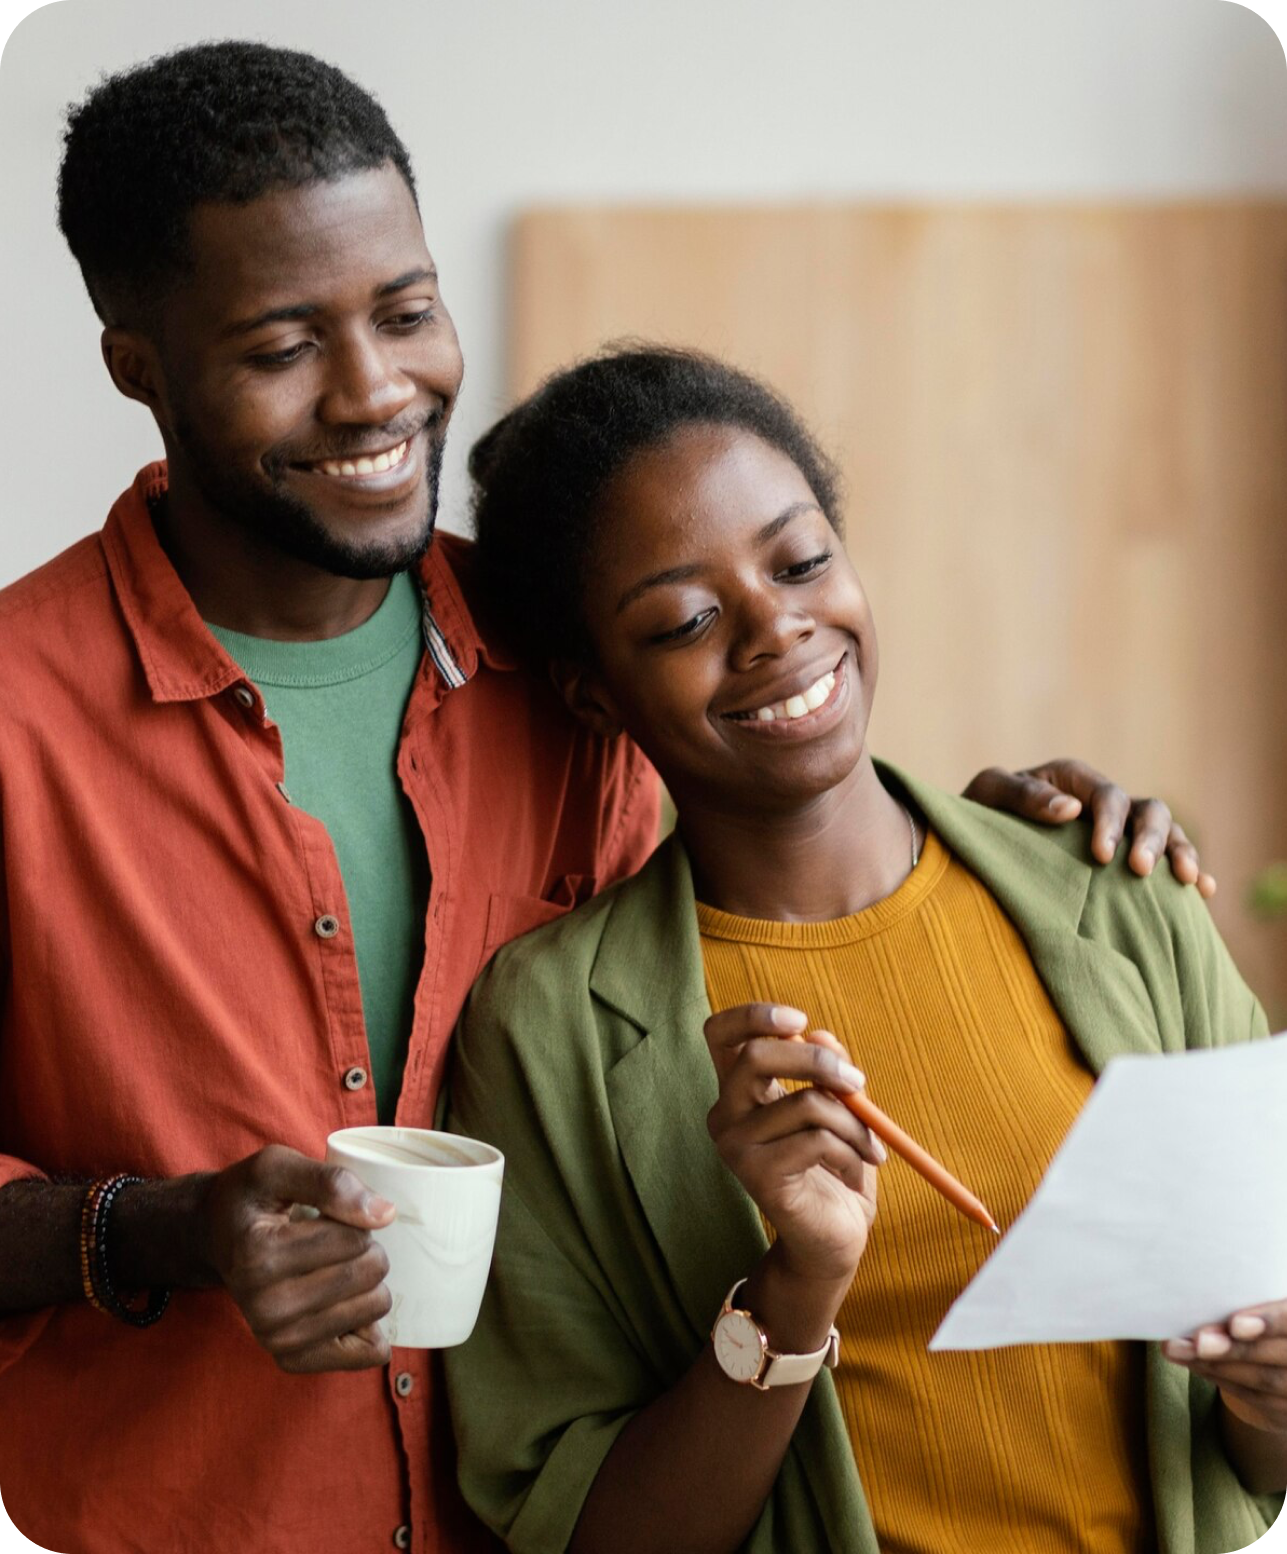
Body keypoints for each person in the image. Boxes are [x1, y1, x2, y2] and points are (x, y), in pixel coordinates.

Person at [0, 40, 1206, 1554]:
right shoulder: (14, 718)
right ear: (138, 363)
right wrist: (151, 1228)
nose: (375, 391)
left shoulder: (546, 646)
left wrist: (1012, 836)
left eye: (405, 310)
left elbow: (776, 781)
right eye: (279, 345)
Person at [444, 346, 1285, 1554]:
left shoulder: (1127, 896)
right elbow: (590, 1532)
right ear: (592, 697)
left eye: (800, 561)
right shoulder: (550, 1027)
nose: (777, 627)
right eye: (685, 619)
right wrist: (794, 1291)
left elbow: (1253, 1438)